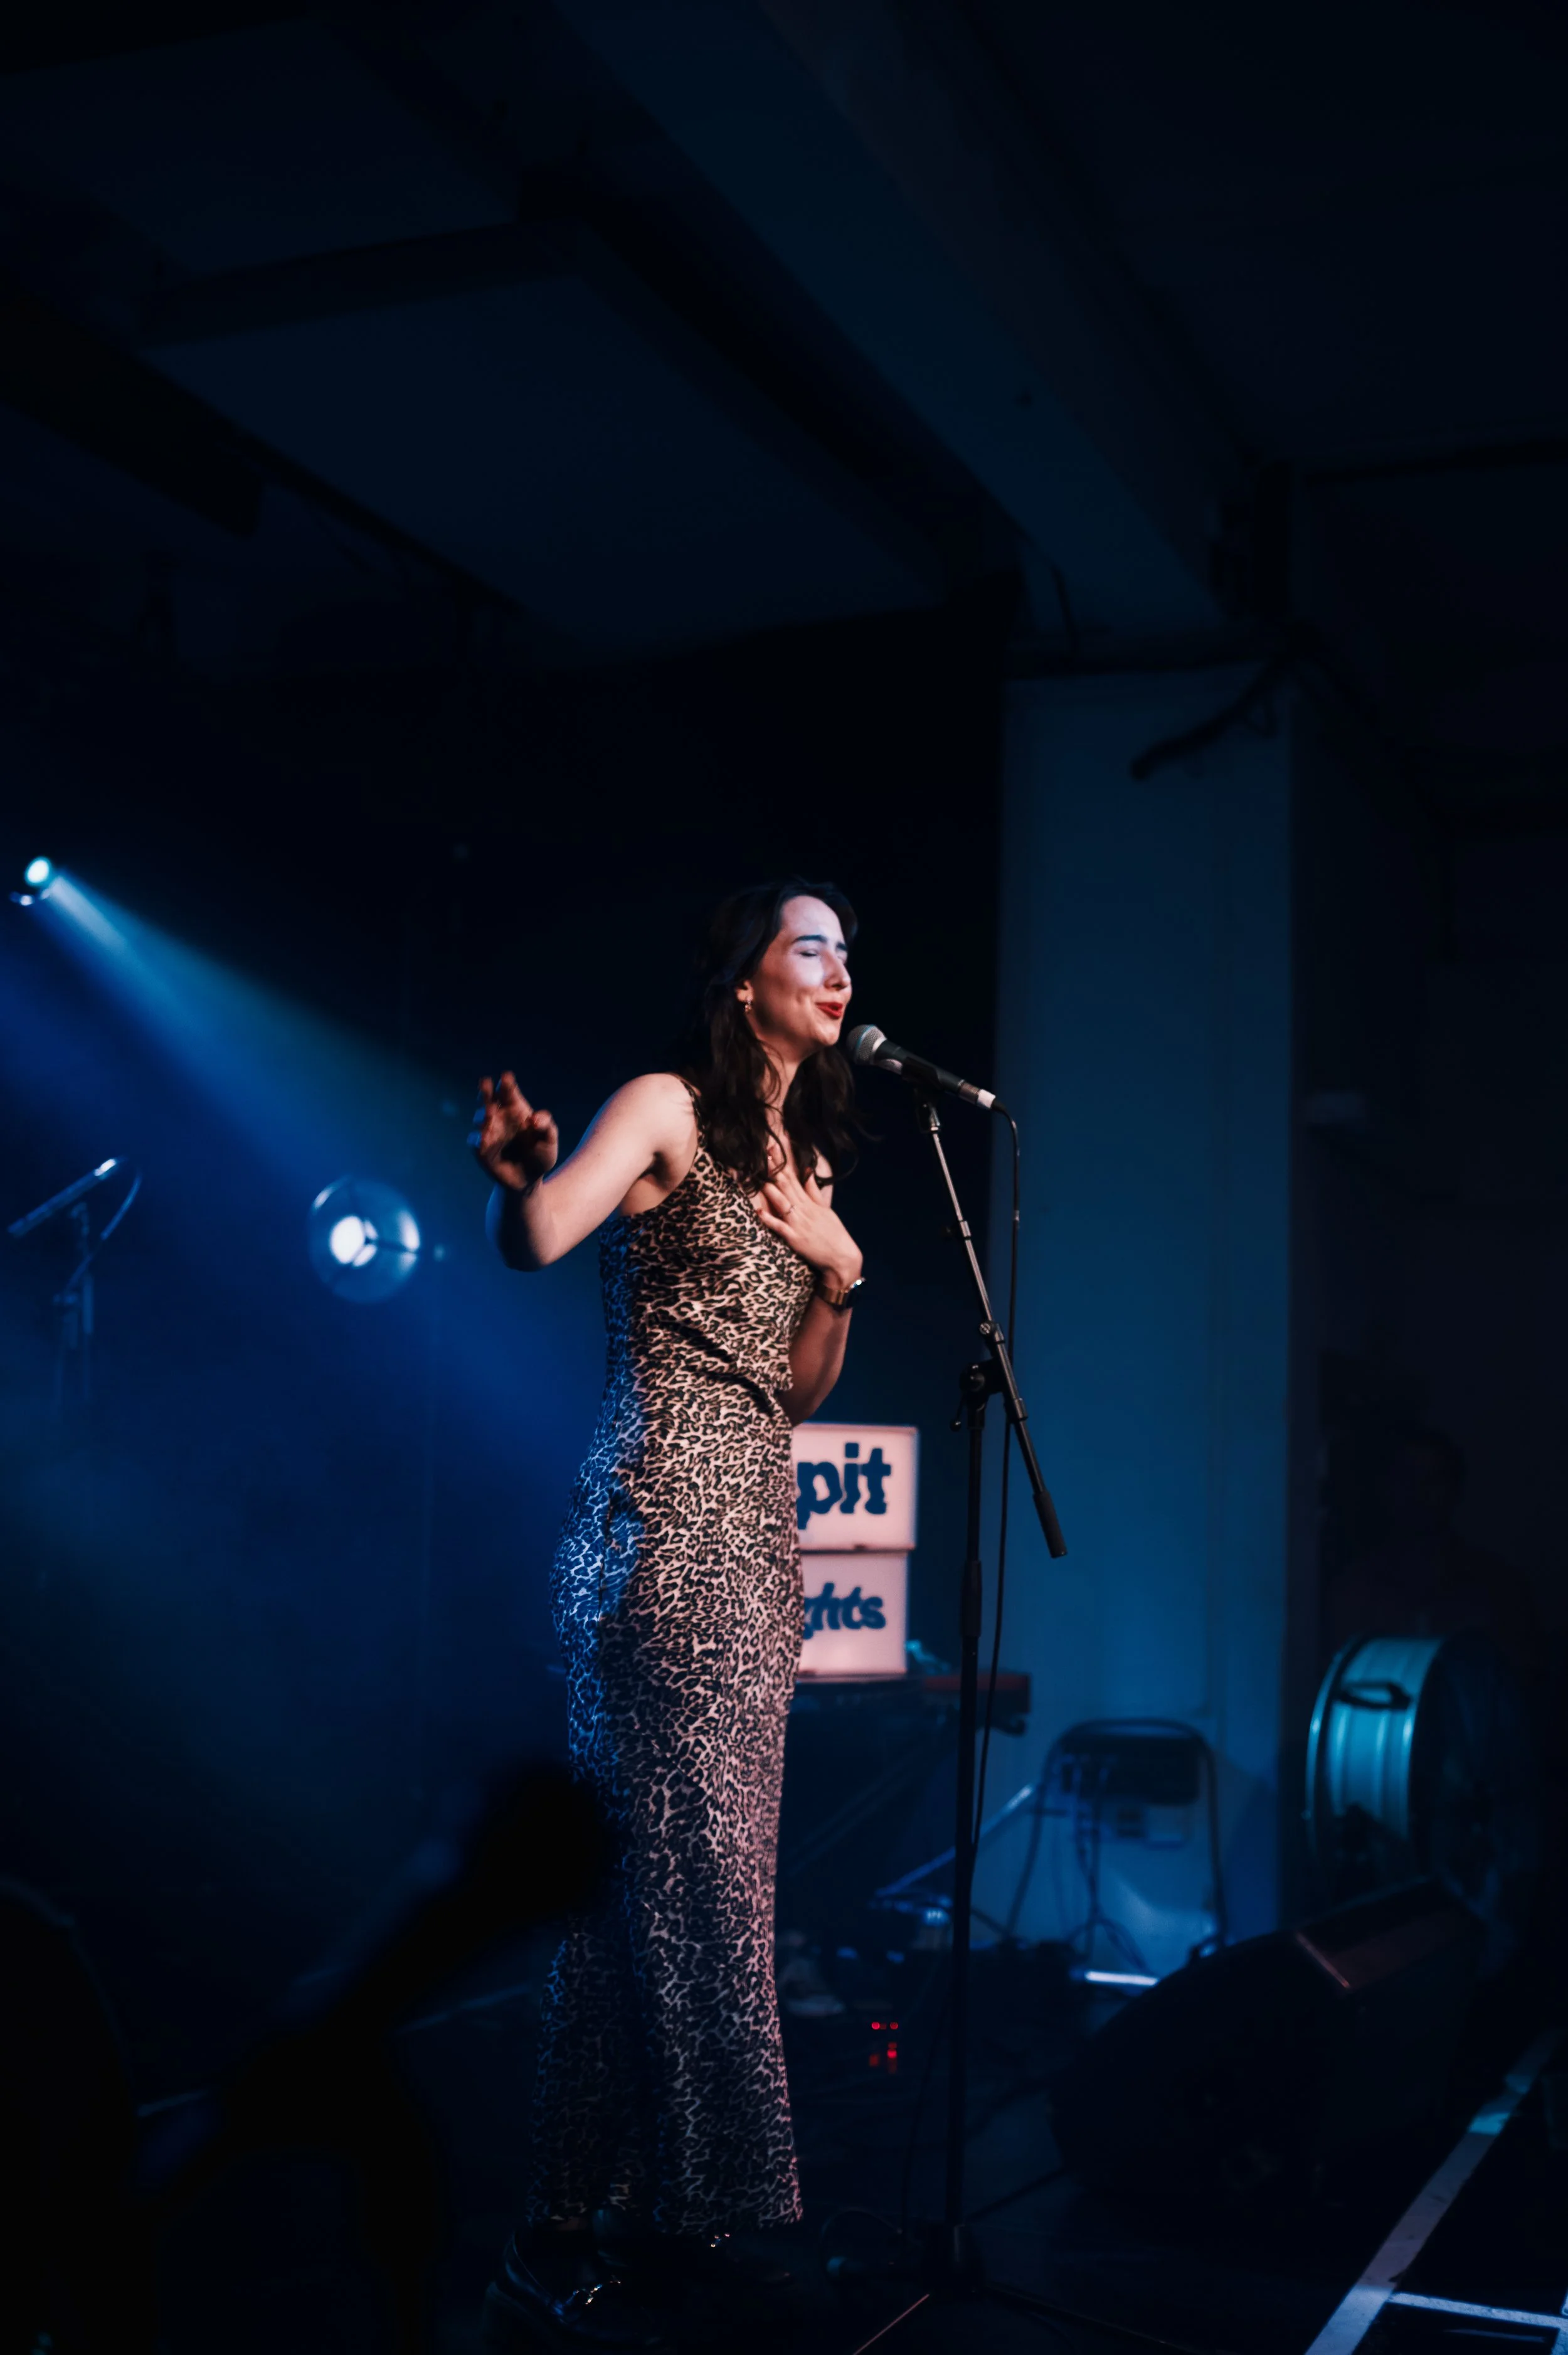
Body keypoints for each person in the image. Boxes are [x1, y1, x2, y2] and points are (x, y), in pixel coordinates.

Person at [470, 881, 866, 2347]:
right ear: (743, 974)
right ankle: (720, 2213)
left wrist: (840, 1271)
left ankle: (566, 2217)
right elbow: (541, 1235)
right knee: (704, 1890)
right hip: (656, 1529)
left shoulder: (802, 1149)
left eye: (843, 949)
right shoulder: (665, 1105)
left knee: (640, 1892)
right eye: (811, 943)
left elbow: (801, 1389)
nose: (837, 969)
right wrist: (517, 1178)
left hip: (757, 1536)